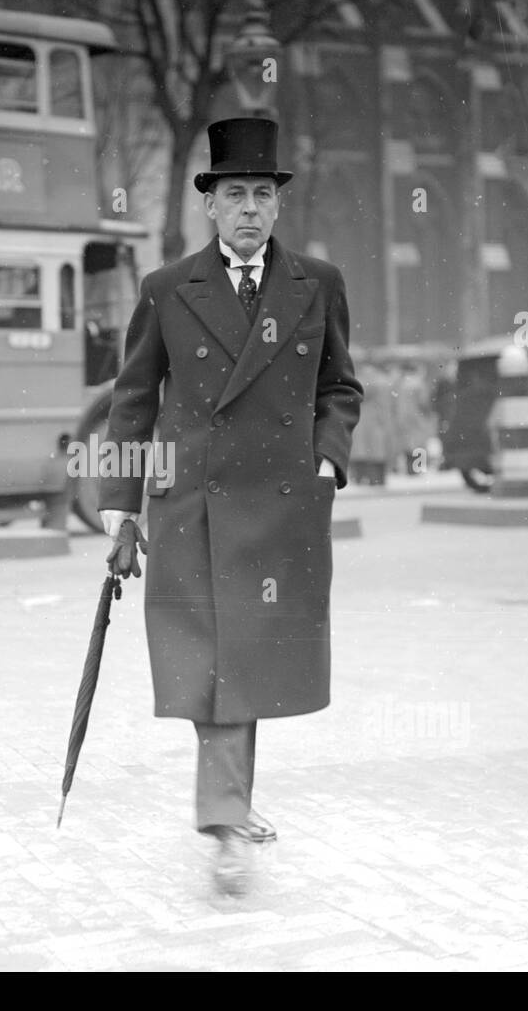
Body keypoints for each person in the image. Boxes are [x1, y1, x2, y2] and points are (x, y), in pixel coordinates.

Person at [98, 117, 364, 897]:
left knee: (246, 663)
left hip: (281, 509)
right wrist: (121, 509)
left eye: (260, 194)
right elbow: (132, 401)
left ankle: (231, 805)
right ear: (209, 206)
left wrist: (326, 458)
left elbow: (340, 386)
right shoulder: (168, 290)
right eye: (232, 194)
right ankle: (223, 825)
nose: (247, 209)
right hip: (195, 507)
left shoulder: (320, 284)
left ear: (277, 207)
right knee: (211, 661)